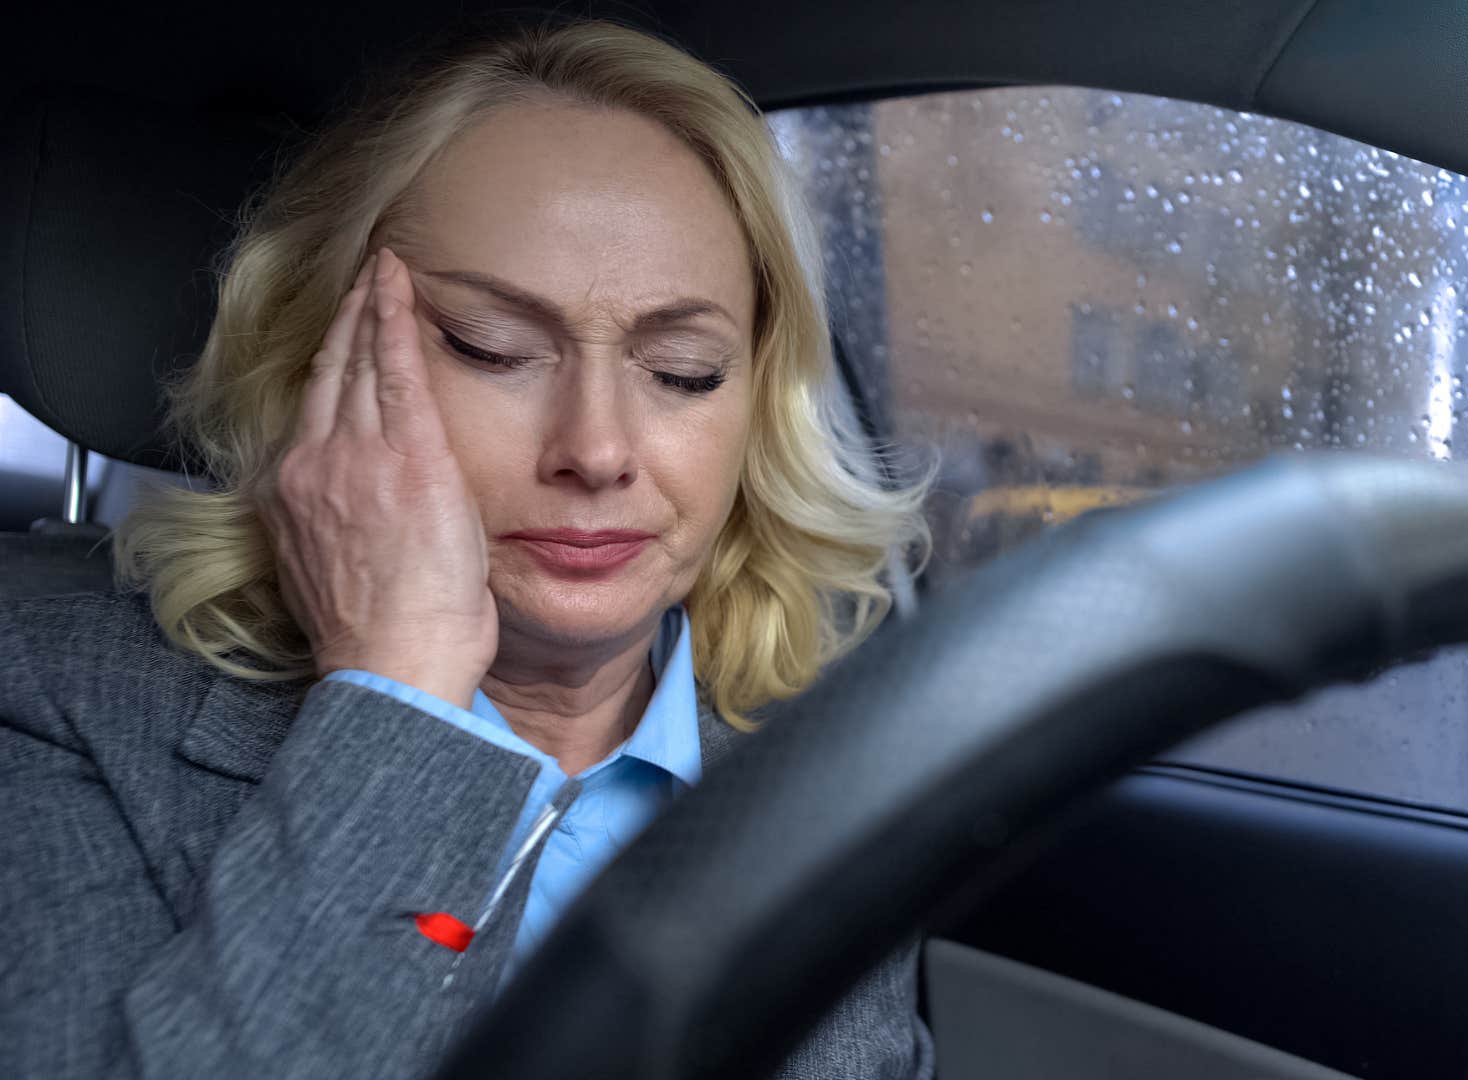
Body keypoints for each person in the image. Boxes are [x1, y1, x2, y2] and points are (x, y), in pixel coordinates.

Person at [0, 18, 931, 1079]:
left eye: (682, 369)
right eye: (492, 349)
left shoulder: (832, 763)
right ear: (316, 360)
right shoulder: (45, 693)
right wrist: (400, 695)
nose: (596, 449)